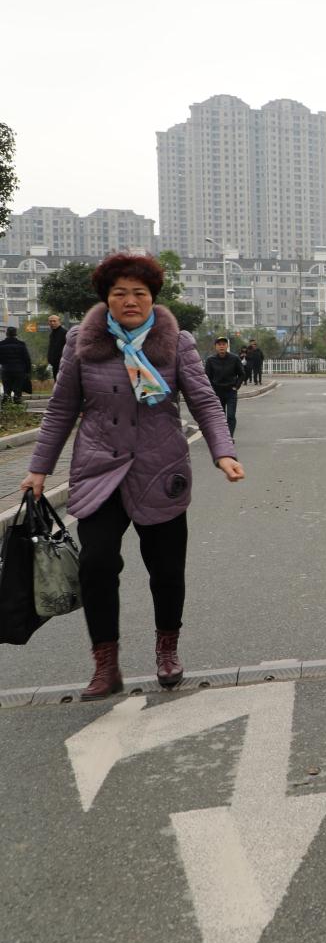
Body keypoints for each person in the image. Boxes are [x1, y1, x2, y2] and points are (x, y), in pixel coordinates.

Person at [22, 253, 243, 697]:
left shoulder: (176, 342)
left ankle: (167, 649)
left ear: (152, 298)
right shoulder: (81, 342)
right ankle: (106, 664)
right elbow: (61, 409)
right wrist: (38, 469)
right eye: (119, 293)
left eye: (139, 293)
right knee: (97, 564)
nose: (130, 301)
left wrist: (223, 452)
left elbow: (203, 401)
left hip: (160, 469)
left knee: (167, 568)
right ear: (106, 298)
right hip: (99, 469)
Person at [203, 335, 244, 438]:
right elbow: (207, 377)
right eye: (219, 344)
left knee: (230, 416)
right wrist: (210, 391)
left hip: (230, 392)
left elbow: (242, 374)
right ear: (215, 346)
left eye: (224, 344)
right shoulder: (210, 360)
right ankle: (223, 437)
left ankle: (230, 437)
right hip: (217, 393)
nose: (221, 346)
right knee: (220, 417)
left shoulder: (234, 358)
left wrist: (236, 387)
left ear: (227, 346)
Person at [0, 327, 31, 405]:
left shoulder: (1, 344)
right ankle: (17, 404)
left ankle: (6, 405)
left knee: (7, 389)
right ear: (15, 334)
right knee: (18, 389)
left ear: (7, 334)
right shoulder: (21, 344)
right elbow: (27, 359)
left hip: (6, 370)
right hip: (19, 370)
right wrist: (28, 371)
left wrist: (4, 363)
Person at [46, 314, 66, 380]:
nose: (52, 323)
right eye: (50, 321)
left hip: (62, 363)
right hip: (55, 363)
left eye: (54, 321)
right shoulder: (52, 334)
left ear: (59, 322)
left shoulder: (64, 333)